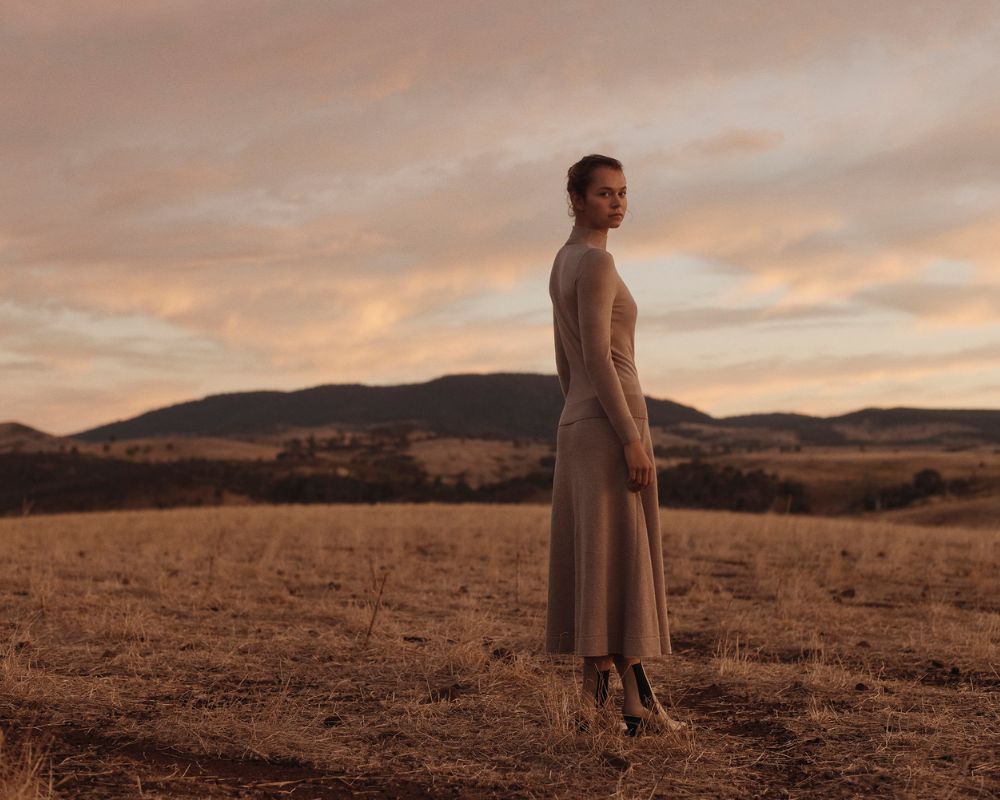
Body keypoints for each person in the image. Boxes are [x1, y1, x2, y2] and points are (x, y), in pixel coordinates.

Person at [545, 154, 686, 736]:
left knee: (596, 560)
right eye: (605, 193)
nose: (618, 203)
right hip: (610, 423)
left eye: (624, 193)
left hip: (580, 421)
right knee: (621, 558)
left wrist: (576, 406)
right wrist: (631, 437)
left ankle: (602, 698)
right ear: (576, 199)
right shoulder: (597, 262)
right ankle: (637, 702)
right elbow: (601, 358)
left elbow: (566, 360)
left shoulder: (562, 261)